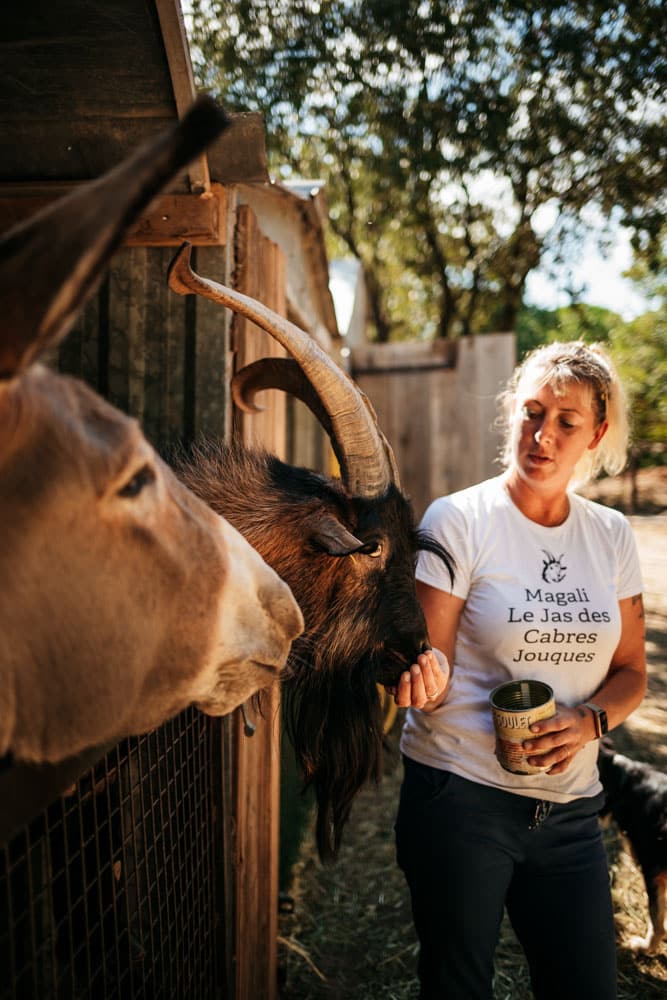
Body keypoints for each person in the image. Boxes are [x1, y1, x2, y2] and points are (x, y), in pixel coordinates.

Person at [391, 340, 646, 999]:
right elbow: (432, 657)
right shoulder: (458, 521)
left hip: (568, 814)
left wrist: (588, 721)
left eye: (565, 421)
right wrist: (419, 675)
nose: (542, 434)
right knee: (458, 986)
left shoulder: (610, 534)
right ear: (511, 415)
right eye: (531, 412)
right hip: (459, 799)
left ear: (595, 432)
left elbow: (629, 673)